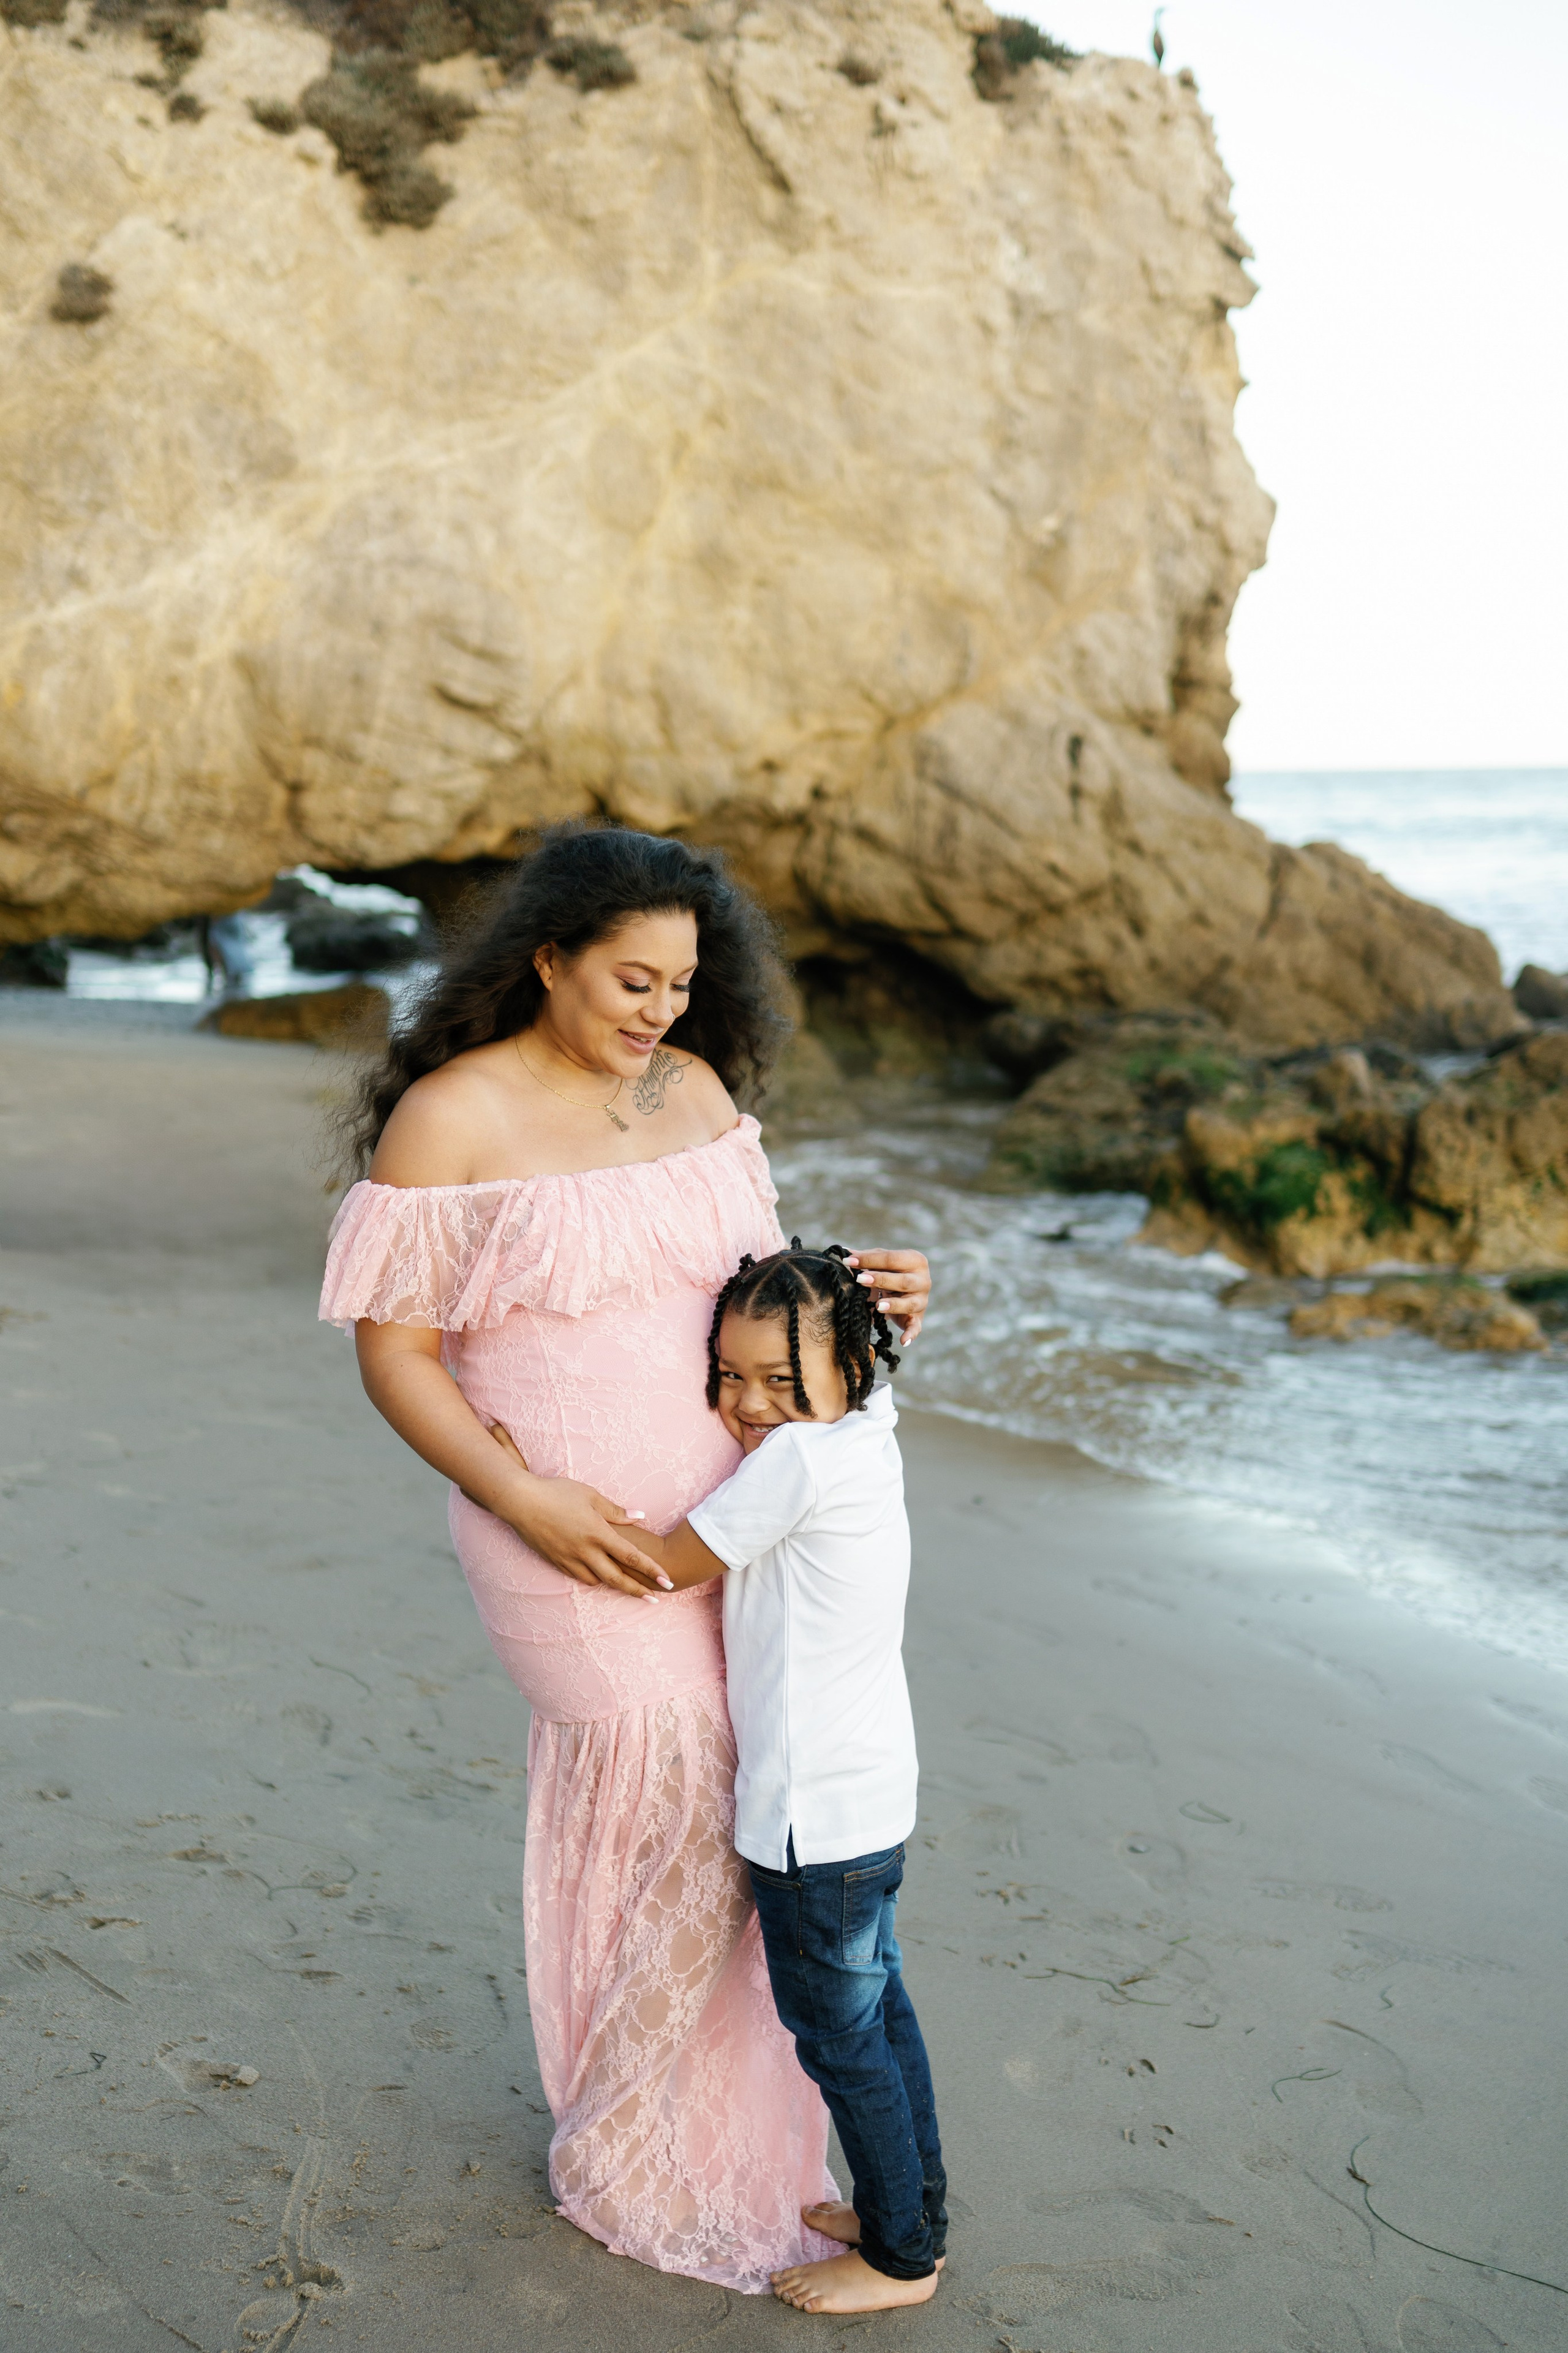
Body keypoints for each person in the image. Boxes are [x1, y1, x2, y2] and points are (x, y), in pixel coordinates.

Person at [317, 823, 931, 2294]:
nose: (657, 1010)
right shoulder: (451, 1118)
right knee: (667, 1806)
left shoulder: (696, 1091)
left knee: (729, 1828)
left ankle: (685, 2122)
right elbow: (397, 1358)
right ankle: (637, 2142)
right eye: (629, 979)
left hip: (732, 1526)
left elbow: (762, 1306)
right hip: (561, 1540)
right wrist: (522, 1495)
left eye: (680, 983)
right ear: (546, 959)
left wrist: (873, 1294)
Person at [589, 1239, 946, 2316]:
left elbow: (665, 1562)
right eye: (730, 1376)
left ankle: (900, 2261)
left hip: (811, 1822)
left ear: (851, 1369)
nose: (750, 1405)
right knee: (882, 2016)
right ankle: (909, 2209)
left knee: (839, 2038)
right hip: (873, 1795)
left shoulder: (789, 1465)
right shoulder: (866, 1432)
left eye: (783, 1383)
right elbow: (863, 1375)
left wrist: (530, 1495)